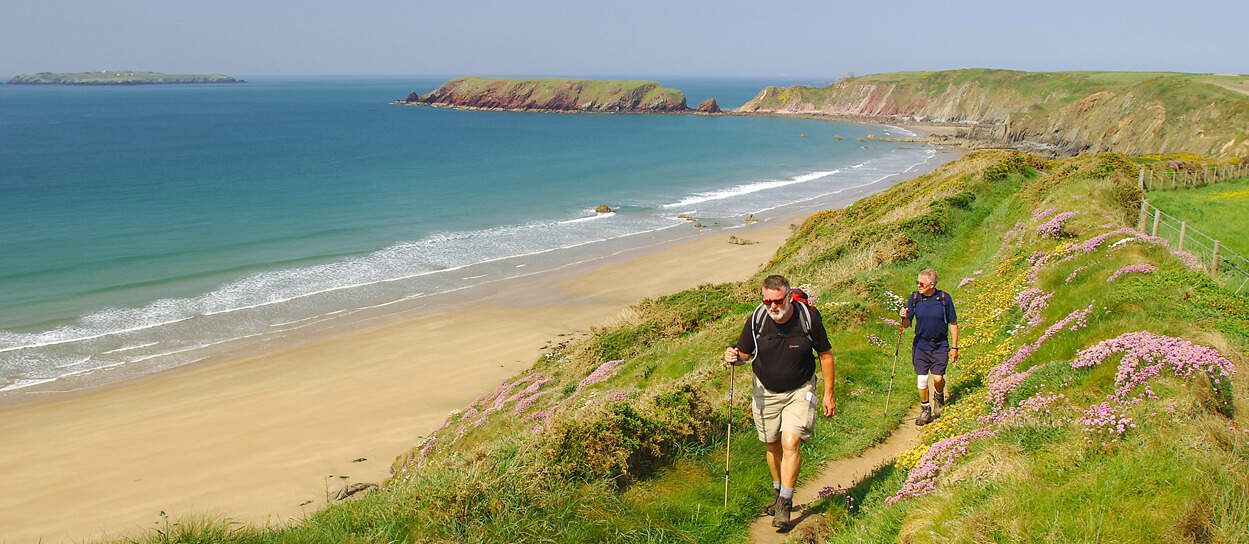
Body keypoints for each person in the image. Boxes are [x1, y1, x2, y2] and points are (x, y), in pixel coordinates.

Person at [723, 274, 835, 529]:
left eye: (777, 300)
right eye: (767, 301)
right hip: (765, 392)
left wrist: (829, 393)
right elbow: (745, 355)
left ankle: (785, 503)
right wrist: (732, 357)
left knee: (790, 441)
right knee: (772, 444)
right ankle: (778, 492)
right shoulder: (757, 320)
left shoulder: (808, 318)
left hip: (800, 389)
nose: (773, 306)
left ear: (788, 297)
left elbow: (826, 355)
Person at [898, 268, 959, 426]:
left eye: (921, 283)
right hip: (921, 345)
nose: (918, 285)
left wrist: (954, 347)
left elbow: (953, 323)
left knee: (938, 379)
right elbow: (906, 325)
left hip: (940, 345)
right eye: (917, 282)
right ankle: (925, 410)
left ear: (931, 284)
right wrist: (903, 317)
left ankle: (939, 395)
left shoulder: (944, 298)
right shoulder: (914, 298)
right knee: (922, 379)